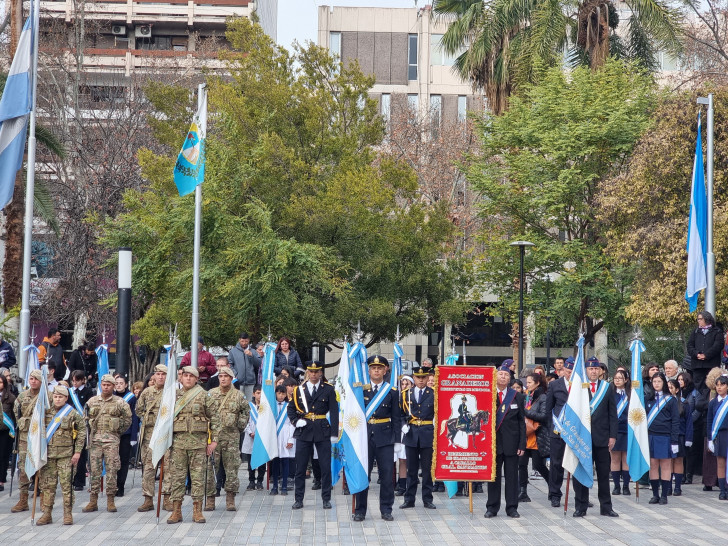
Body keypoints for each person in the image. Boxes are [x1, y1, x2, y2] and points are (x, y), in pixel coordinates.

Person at [167, 366, 220, 524]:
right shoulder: (173, 396)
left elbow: (215, 419)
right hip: (178, 444)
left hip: (198, 444)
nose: (188, 378)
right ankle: (176, 511)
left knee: (197, 479)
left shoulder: (204, 396)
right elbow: (164, 419)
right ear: (181, 378)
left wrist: (214, 441)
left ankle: (197, 511)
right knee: (177, 478)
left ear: (197, 379)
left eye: (191, 376)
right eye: (185, 375)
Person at [353, 356, 401, 521]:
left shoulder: (392, 392)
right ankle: (360, 510)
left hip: (385, 437)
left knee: (387, 475)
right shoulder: (362, 390)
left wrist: (397, 441)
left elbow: (396, 417)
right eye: (373, 368)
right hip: (364, 437)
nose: (376, 371)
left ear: (385, 370)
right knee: (363, 475)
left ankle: (386, 509)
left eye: (379, 368)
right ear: (368, 370)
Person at [288, 361, 338, 510]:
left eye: (317, 371)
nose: (314, 374)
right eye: (311, 371)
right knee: (300, 467)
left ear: (321, 373)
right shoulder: (299, 390)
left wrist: (334, 433)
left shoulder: (328, 389)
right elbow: (291, 409)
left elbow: (334, 412)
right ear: (307, 372)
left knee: (325, 467)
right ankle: (298, 499)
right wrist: (296, 422)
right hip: (304, 430)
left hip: (323, 430)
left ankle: (326, 499)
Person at [572, 357, 618, 518]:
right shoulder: (579, 387)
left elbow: (613, 413)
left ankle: (606, 507)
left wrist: (613, 436)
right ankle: (580, 506)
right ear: (585, 370)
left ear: (600, 371)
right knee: (582, 473)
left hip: (602, 438)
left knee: (604, 474)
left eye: (596, 369)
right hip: (583, 438)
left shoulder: (606, 388)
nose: (593, 371)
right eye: (590, 369)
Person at [36, 385, 86, 525]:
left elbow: (81, 432)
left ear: (66, 398)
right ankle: (47, 514)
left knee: (66, 486)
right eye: (55, 396)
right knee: (47, 487)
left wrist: (77, 452)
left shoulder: (72, 413)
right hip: (48, 456)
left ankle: (67, 514)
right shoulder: (45, 412)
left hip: (66, 455)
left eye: (60, 397)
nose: (57, 399)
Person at [83, 374, 132, 513]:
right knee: (94, 471)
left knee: (111, 470)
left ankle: (111, 499)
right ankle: (93, 500)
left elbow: (128, 420)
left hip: (111, 441)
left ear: (113, 386)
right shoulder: (92, 401)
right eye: (103, 384)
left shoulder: (120, 402)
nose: (105, 387)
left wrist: (117, 432)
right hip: (95, 441)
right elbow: (85, 419)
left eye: (108, 385)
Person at [484, 363, 526, 519]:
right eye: (501, 374)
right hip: (493, 444)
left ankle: (512, 507)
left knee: (512, 477)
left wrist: (522, 444)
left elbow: (522, 422)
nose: (503, 377)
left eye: (506, 375)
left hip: (512, 444)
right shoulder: (487, 395)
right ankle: (492, 507)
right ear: (495, 376)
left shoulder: (517, 397)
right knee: (493, 477)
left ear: (510, 378)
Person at [204, 366, 249, 511]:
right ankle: (210, 499)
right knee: (211, 468)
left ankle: (230, 498)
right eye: (220, 376)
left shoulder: (238, 395)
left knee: (232, 469)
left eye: (226, 376)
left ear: (231, 378)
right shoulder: (211, 394)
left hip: (231, 437)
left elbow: (245, 411)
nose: (223, 379)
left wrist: (239, 426)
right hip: (214, 438)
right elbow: (205, 411)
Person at [400, 366, 435, 510]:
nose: (421, 380)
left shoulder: (433, 394)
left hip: (427, 434)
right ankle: (409, 499)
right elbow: (400, 414)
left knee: (427, 470)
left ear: (427, 378)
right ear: (413, 378)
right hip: (411, 434)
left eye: (424, 377)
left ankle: (427, 499)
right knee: (411, 470)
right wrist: (403, 425)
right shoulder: (405, 394)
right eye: (418, 378)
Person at [135, 364, 169, 512]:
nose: (160, 376)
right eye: (158, 374)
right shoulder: (146, 392)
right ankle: (148, 499)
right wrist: (150, 419)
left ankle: (167, 498)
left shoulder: (173, 392)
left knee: (168, 468)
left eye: (164, 374)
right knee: (149, 468)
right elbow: (138, 410)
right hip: (150, 436)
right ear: (153, 375)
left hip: (167, 435)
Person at [10, 369, 43, 512]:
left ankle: (44, 500)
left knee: (42, 469)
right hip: (24, 438)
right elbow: (16, 414)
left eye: (36, 378)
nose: (33, 381)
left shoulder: (46, 397)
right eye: (31, 378)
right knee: (23, 468)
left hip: (41, 438)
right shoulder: (22, 397)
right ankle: (23, 500)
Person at [646, 372, 680, 505]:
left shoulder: (671, 400)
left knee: (665, 466)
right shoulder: (648, 399)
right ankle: (655, 494)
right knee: (653, 465)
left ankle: (664, 495)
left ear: (664, 383)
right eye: (654, 382)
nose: (656, 384)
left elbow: (675, 421)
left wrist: (674, 440)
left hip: (665, 436)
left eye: (659, 381)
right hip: (651, 436)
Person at [544, 356, 573, 507]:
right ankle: (555, 494)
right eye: (568, 371)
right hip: (558, 431)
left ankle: (582, 496)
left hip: (575, 431)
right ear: (563, 370)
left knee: (577, 463)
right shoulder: (555, 385)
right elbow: (548, 409)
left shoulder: (582, 385)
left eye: (572, 371)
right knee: (556, 464)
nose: (570, 373)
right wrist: (552, 428)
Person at [519, 373, 550, 503]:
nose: (527, 385)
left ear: (537, 383)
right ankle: (523, 491)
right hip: (524, 436)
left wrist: (525, 412)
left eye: (530, 382)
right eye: (527, 382)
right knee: (522, 464)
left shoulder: (543, 397)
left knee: (538, 465)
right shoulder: (526, 396)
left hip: (537, 436)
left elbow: (543, 416)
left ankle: (553, 486)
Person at [687, 311, 724, 394]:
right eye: (698, 319)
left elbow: (718, 345)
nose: (698, 321)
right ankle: (699, 405)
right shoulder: (695, 331)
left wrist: (706, 355)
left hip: (711, 365)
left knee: (712, 388)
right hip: (698, 366)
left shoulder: (717, 331)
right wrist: (696, 354)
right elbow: (690, 345)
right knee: (699, 389)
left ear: (707, 319)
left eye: (700, 319)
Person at [70, 370, 94, 491]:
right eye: (73, 380)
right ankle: (71, 479)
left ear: (82, 380)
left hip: (83, 426)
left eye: (77, 380)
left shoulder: (88, 392)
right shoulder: (70, 392)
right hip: (71, 425)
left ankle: (79, 481)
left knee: (81, 454)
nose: (75, 383)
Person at [668, 378, 693, 496]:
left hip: (680, 436)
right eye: (667, 387)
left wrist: (688, 438)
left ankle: (677, 487)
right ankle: (667, 486)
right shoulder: (664, 402)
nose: (669, 389)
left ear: (677, 389)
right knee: (667, 462)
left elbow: (689, 422)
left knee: (678, 461)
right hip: (667, 436)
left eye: (671, 387)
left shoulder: (684, 403)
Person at [679, 371, 704, 484]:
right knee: (683, 452)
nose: (679, 382)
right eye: (678, 380)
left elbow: (698, 409)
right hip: (682, 426)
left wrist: (689, 420)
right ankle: (682, 474)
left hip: (694, 426)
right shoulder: (678, 393)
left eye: (681, 379)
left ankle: (689, 474)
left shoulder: (694, 393)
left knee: (691, 452)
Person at [610, 369, 632, 496]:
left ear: (626, 380)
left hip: (627, 430)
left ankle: (626, 486)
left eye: (620, 378)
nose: (617, 380)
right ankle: (616, 485)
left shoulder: (631, 394)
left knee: (626, 458)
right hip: (614, 430)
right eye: (616, 378)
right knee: (615, 458)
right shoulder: (611, 394)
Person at [270, 384, 294, 496]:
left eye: (283, 393)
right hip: (274, 435)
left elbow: (291, 424)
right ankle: (274, 485)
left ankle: (284, 485)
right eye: (278, 393)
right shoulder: (271, 406)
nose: (280, 395)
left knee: (285, 461)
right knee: (275, 462)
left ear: (286, 394)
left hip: (285, 434)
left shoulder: (289, 406)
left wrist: (290, 439)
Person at [707, 375, 728, 500]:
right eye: (718, 385)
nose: (719, 387)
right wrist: (710, 439)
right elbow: (709, 421)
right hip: (719, 435)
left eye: (722, 385)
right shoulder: (713, 403)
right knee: (720, 463)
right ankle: (722, 489)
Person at [241, 384, 266, 490]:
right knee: (251, 461)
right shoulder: (249, 406)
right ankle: (251, 481)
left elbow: (267, 422)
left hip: (262, 437)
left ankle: (260, 481)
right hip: (251, 436)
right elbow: (245, 421)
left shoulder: (266, 407)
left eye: (261, 393)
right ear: (253, 394)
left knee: (261, 461)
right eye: (258, 393)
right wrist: (250, 432)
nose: (260, 395)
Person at [228, 332, 260, 402]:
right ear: (239, 340)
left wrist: (251, 355)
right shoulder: (233, 351)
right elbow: (230, 364)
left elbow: (258, 364)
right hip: (238, 382)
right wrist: (235, 374)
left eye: (246, 341)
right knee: (238, 402)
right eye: (242, 341)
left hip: (251, 382)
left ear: (248, 340)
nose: (244, 343)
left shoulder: (253, 351)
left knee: (250, 403)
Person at [0, 374, 16, 492]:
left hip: (5, 431)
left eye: (0, 382)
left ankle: (1, 480)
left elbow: (14, 415)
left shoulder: (10, 398)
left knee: (3, 456)